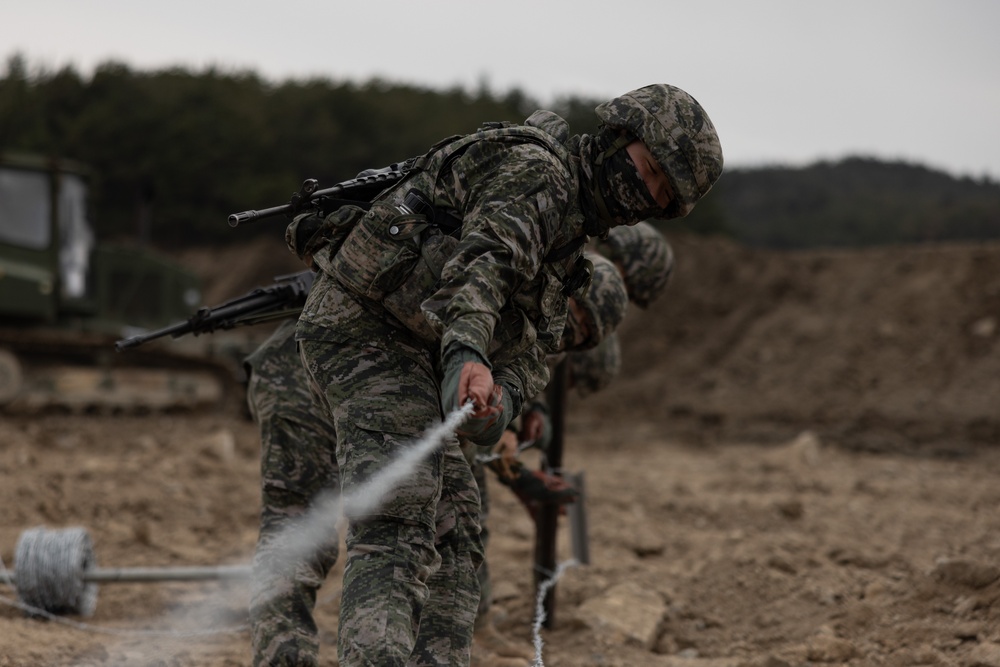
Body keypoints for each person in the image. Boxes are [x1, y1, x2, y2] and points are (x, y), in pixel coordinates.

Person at [289, 82, 722, 666]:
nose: (644, 195)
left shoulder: (569, 252)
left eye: (661, 195)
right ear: (619, 138)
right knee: (399, 519)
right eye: (647, 171)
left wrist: (503, 405)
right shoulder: (535, 172)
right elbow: (485, 264)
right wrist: (467, 353)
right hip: (361, 328)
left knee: (459, 527)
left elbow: (531, 351)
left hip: (415, 346)